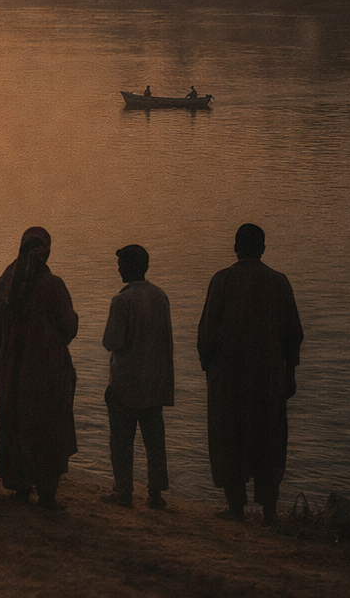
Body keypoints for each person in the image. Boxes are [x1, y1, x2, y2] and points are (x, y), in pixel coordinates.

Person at [197, 223, 304, 526]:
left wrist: (209, 368)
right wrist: (290, 373)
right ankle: (269, 512)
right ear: (263, 249)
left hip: (228, 379)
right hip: (269, 380)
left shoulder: (222, 281)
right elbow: (293, 334)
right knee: (269, 440)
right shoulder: (278, 282)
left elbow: (206, 333)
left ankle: (236, 508)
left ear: (236, 248)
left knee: (229, 438)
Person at [0, 226, 79, 510]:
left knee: (15, 423)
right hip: (46, 371)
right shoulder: (52, 285)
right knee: (47, 425)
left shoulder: (5, 282)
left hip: (11, 371)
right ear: (46, 252)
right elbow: (68, 327)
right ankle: (47, 491)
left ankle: (20, 484)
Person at [100, 244, 173, 509]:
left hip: (126, 382)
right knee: (155, 442)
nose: (117, 267)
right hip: (154, 382)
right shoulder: (160, 296)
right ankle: (156, 494)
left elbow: (112, 341)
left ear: (130, 267)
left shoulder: (122, 300)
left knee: (122, 442)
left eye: (120, 263)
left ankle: (123, 491)